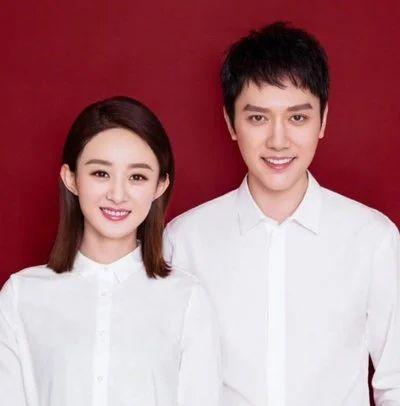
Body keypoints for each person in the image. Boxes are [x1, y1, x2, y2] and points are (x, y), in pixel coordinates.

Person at [164, 22, 400, 406]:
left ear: (323, 120)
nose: (278, 140)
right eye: (258, 118)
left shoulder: (372, 239)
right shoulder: (185, 241)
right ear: (231, 123)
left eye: (297, 118)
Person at [0, 96, 221, 406]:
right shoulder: (21, 296)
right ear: (71, 178)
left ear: (159, 186)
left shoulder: (186, 299)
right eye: (100, 173)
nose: (117, 194)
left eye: (137, 177)